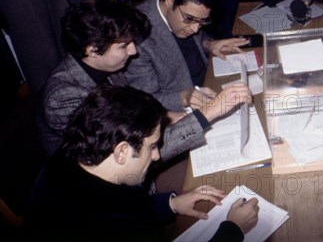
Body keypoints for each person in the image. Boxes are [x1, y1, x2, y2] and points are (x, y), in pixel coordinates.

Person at [26, 85, 259, 242]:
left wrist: (171, 204)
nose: (157, 156)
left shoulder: (69, 158)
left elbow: (128, 203)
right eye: (152, 146)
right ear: (122, 152)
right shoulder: (109, 227)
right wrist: (233, 230)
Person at [40, 0, 224, 163]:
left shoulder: (106, 67)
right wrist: (205, 115)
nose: (133, 51)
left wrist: (163, 116)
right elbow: (131, 156)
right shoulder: (65, 98)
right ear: (92, 49)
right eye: (124, 46)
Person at [124, 0, 252, 119]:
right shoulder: (138, 35)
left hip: (210, 79)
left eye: (202, 21)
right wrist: (183, 97)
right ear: (170, 0)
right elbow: (144, 99)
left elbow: (196, 41)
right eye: (190, 19)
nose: (195, 29)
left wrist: (209, 44)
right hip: (181, 109)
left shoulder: (186, 12)